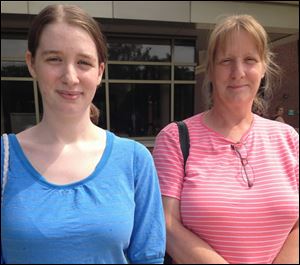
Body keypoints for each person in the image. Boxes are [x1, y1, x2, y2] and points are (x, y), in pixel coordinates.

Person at [1, 4, 165, 264]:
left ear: (100, 71)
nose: (70, 76)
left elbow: (148, 257)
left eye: (83, 62)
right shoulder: (4, 158)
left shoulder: (134, 160)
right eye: (54, 59)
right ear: (32, 64)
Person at [153, 14, 299, 264]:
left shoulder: (287, 138)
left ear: (263, 67)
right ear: (210, 68)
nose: (238, 72)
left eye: (250, 60)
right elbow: (167, 225)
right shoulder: (175, 139)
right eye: (226, 61)